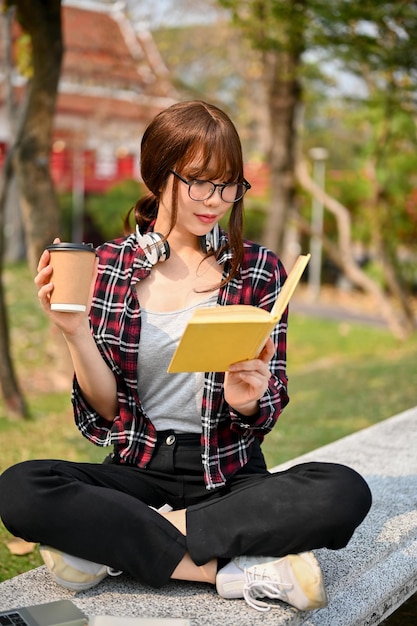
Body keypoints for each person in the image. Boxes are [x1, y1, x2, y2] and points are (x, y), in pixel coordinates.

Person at [0, 100, 372, 613]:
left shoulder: (259, 269)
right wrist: (73, 333)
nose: (215, 200)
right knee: (21, 488)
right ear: (158, 173)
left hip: (227, 476)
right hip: (138, 470)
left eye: (228, 184)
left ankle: (110, 544)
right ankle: (230, 570)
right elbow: (106, 414)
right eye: (199, 181)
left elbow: (269, 405)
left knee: (343, 491)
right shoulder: (107, 267)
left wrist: (248, 399)